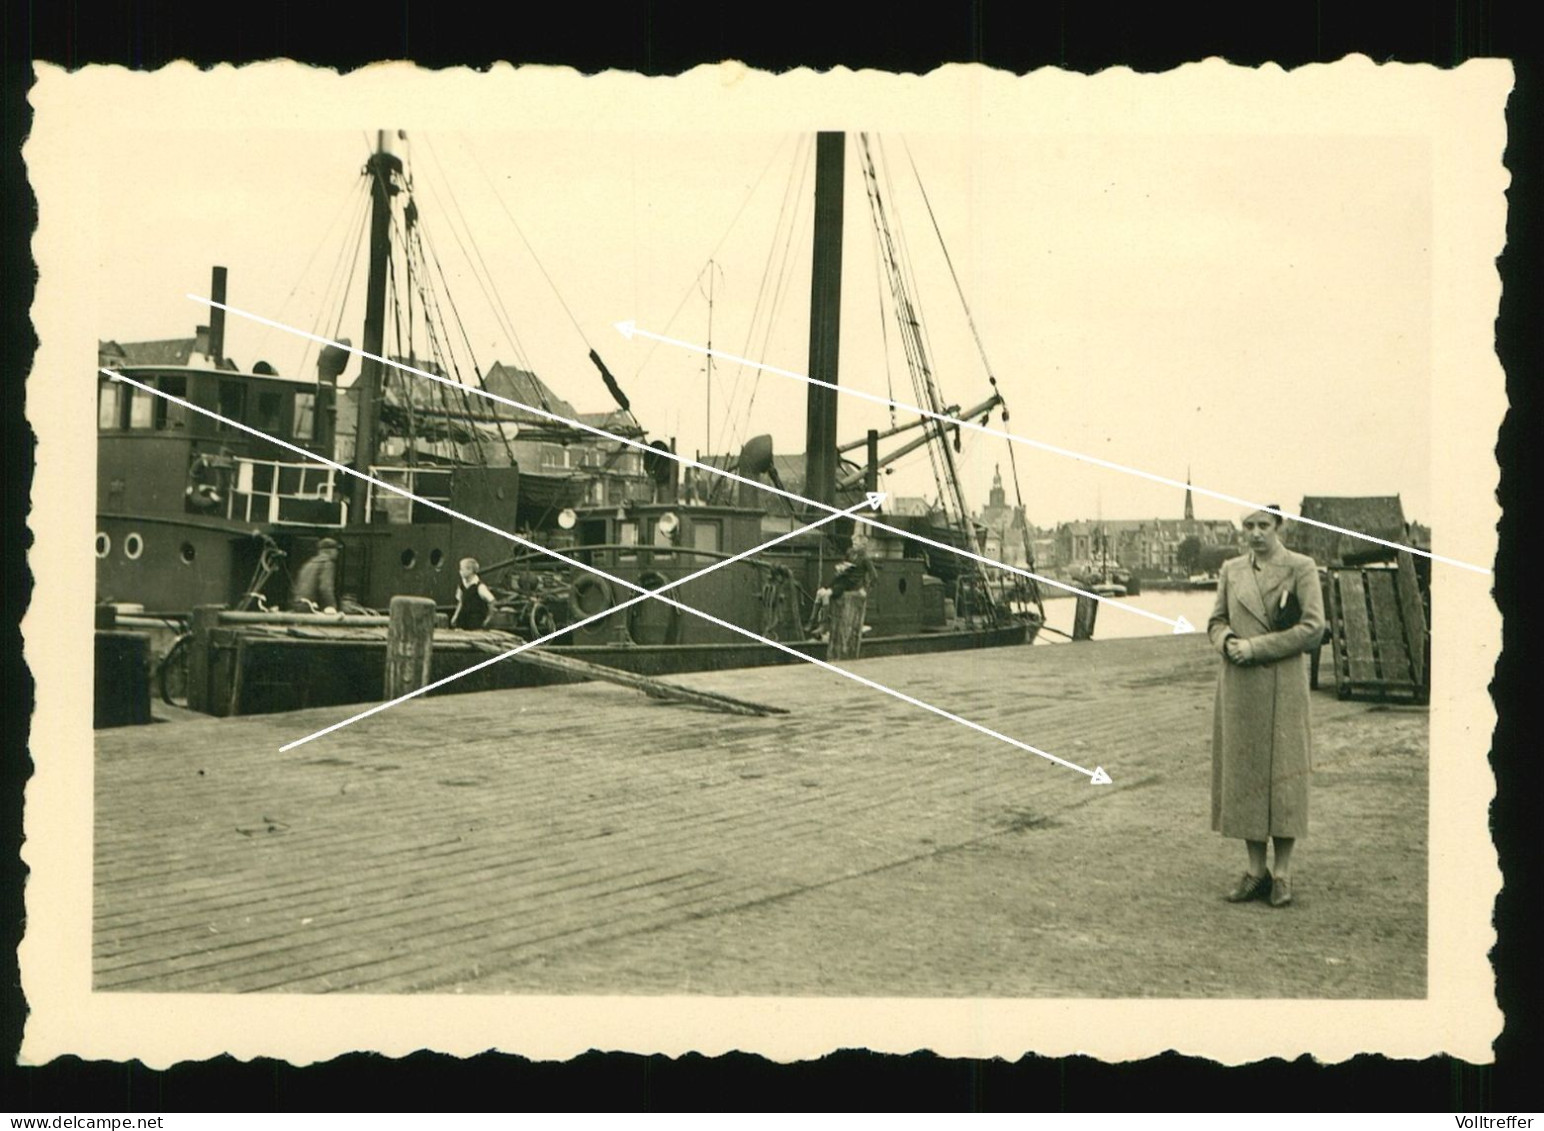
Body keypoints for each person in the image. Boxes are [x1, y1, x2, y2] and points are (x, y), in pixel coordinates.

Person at [1208, 505, 1325, 908]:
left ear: (1280, 527)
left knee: (1284, 778)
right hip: (1240, 687)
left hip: (1282, 685)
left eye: (1263, 526)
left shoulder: (1301, 567)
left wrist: (1256, 647)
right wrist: (1226, 642)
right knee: (1246, 778)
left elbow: (1313, 628)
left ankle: (1284, 874)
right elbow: (1216, 621)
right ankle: (1255, 870)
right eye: (1248, 526)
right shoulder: (1231, 570)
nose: (1256, 534)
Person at [827, 544, 879, 660]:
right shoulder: (850, 554)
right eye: (854, 540)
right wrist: (840, 570)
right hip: (845, 586)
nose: (855, 542)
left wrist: (866, 589)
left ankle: (846, 651)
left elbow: (874, 575)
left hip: (855, 588)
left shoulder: (865, 559)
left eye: (858, 540)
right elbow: (844, 569)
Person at [288, 537, 339, 613]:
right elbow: (325, 588)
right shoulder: (327, 563)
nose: (337, 553)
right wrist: (332, 606)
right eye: (336, 550)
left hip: (298, 604)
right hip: (310, 606)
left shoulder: (309, 563)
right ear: (331, 551)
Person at [450, 557, 496, 630]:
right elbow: (460, 602)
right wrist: (455, 616)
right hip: (464, 619)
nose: (460, 571)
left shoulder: (480, 587)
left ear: (470, 570)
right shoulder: (461, 586)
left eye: (462, 569)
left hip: (475, 620)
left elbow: (491, 601)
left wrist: (489, 618)